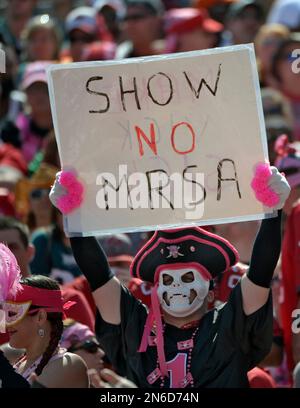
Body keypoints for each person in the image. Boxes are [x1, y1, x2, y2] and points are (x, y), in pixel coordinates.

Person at [50, 164, 290, 387]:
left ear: (210, 294)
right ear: (155, 291)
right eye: (167, 279)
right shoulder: (135, 327)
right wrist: (74, 216)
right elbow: (99, 276)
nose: (176, 285)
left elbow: (260, 271)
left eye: (187, 278)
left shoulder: (228, 325)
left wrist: (273, 211)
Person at [0, 246, 89, 388]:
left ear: (41, 317)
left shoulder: (69, 364)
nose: (5, 324)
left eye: (12, 313)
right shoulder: (18, 362)